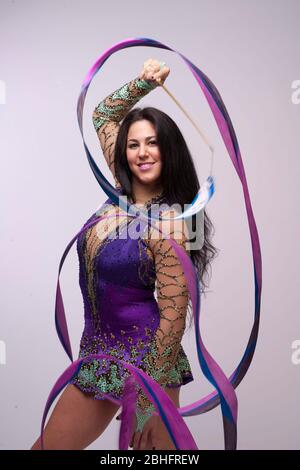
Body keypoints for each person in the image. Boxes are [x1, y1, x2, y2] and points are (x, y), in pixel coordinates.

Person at [31, 59, 217, 451]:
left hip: (145, 366)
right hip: (97, 358)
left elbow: (172, 318)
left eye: (152, 143)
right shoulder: (120, 189)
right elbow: (103, 113)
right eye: (133, 144)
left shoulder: (169, 225)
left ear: (169, 151)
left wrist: (148, 398)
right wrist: (145, 82)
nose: (142, 152)